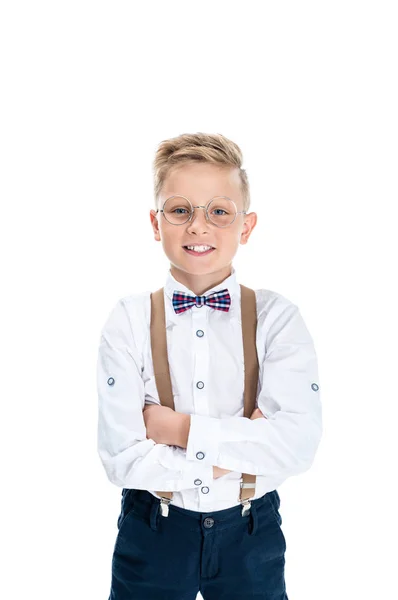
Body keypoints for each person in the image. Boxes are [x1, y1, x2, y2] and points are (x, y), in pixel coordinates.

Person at [96, 132, 322, 600]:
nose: (199, 226)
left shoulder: (278, 319)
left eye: (219, 211)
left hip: (251, 531)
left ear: (247, 225)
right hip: (151, 529)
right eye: (180, 210)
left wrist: (176, 429)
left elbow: (296, 446)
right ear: (156, 223)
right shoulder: (128, 320)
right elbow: (122, 459)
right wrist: (243, 448)